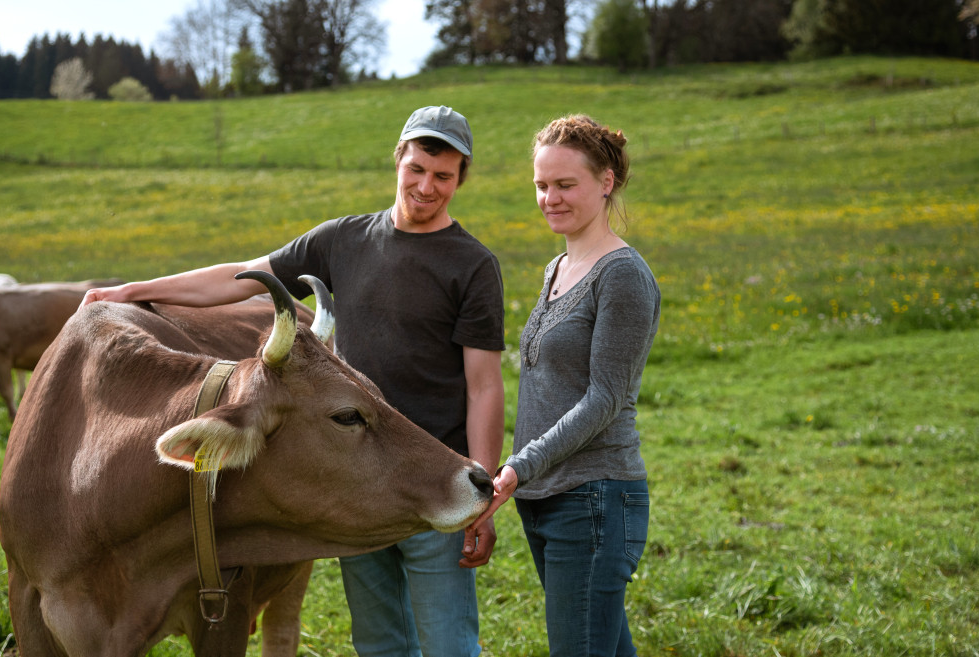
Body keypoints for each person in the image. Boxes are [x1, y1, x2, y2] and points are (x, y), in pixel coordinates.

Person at [80, 105, 506, 657]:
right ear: (398, 160)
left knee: (449, 646)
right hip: (362, 483)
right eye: (418, 168)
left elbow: (484, 386)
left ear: (460, 178)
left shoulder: (473, 265)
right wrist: (133, 291)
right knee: (378, 643)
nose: (427, 187)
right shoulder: (343, 240)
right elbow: (240, 279)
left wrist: (485, 495)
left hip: (434, 477)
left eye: (443, 176)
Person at [467, 114, 660, 657]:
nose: (550, 197)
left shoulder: (620, 274)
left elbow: (607, 397)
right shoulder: (557, 267)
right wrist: (524, 477)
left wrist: (517, 466)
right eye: (541, 185)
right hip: (547, 496)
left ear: (606, 182)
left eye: (565, 184)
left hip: (594, 497)